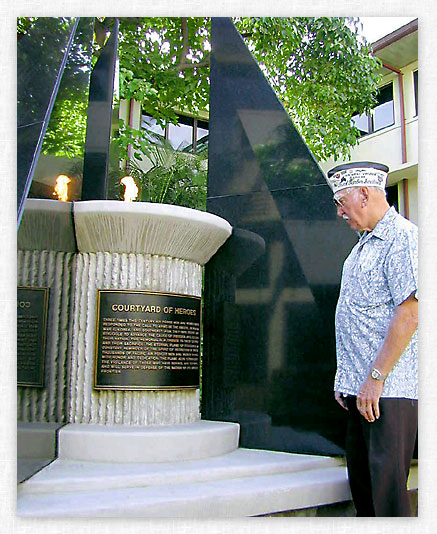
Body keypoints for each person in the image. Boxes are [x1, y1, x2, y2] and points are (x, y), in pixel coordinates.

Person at [326, 162, 418, 517]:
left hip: (387, 393)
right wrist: (345, 379)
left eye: (341, 202)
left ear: (364, 194)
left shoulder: (403, 238)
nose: (339, 213)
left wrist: (375, 379)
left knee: (387, 499)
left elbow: (410, 313)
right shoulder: (362, 246)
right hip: (360, 392)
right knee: (365, 493)